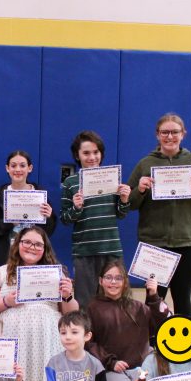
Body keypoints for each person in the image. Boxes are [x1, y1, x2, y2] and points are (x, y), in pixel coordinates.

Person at [127, 113, 191, 317]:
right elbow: (128, 204)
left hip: (187, 241)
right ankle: (150, 344)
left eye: (175, 132)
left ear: (183, 134)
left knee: (182, 296)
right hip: (154, 241)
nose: (170, 137)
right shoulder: (145, 164)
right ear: (157, 135)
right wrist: (140, 190)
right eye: (165, 132)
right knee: (154, 296)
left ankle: (185, 347)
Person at [0, 226, 78, 381]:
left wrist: (68, 296)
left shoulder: (56, 273)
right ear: (17, 244)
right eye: (27, 242)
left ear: (44, 249)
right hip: (13, 338)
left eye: (38, 244)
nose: (32, 247)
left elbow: (72, 314)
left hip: (47, 340)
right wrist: (5, 302)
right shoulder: (2, 272)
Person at [59, 131, 131, 308]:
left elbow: (121, 214)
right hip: (84, 251)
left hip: (111, 249)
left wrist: (124, 200)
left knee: (116, 298)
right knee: (86, 301)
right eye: (86, 153)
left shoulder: (112, 178)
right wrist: (76, 208)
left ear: (101, 154)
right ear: (77, 155)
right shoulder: (71, 182)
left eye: (96, 152)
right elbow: (65, 219)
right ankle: (88, 335)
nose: (92, 157)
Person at [86, 258, 171, 381]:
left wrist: (153, 295)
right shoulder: (92, 308)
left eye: (118, 278)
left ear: (125, 282)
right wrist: (111, 362)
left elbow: (163, 324)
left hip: (140, 368)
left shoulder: (137, 307)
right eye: (108, 277)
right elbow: (88, 342)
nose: (113, 282)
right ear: (100, 281)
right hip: (111, 369)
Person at [0, 150, 56, 268]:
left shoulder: (39, 194)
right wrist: (9, 222)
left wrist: (49, 217)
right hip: (5, 257)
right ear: (7, 168)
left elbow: (48, 231)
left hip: (33, 255)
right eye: (13, 166)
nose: (18, 169)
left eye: (22, 165)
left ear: (30, 168)